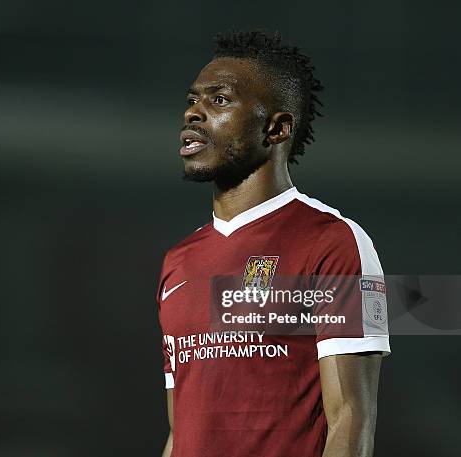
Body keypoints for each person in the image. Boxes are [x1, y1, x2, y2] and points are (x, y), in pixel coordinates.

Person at [156, 29, 390, 457]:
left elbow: (350, 417)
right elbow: (182, 431)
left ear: (278, 128)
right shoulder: (178, 262)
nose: (193, 113)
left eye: (219, 100)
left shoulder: (335, 242)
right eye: (192, 101)